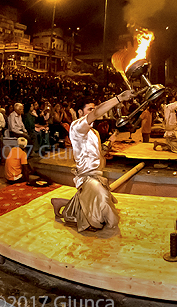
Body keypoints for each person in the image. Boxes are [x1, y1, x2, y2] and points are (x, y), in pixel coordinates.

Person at [51, 90, 133, 232]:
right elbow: (96, 114)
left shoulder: (94, 133)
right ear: (80, 112)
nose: (94, 112)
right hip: (86, 176)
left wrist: (110, 141)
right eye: (89, 109)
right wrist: (119, 98)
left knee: (95, 205)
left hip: (97, 175)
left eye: (94, 109)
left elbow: (100, 154)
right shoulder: (76, 127)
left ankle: (59, 202)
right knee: (104, 214)